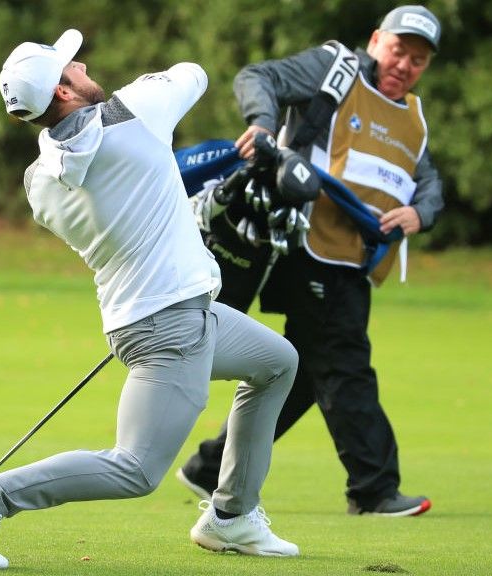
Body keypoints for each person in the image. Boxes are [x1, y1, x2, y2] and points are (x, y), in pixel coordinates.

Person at [0, 29, 301, 570]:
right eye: (71, 68)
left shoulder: (38, 184)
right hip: (170, 325)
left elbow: (81, 157)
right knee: (136, 469)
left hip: (157, 315)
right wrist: (135, 102)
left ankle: (233, 516)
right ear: (63, 91)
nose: (81, 65)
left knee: (278, 362)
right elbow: (192, 73)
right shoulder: (136, 111)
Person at [177, 5, 445, 517]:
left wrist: (419, 212)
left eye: (418, 58)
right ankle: (374, 489)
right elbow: (258, 77)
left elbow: (429, 180)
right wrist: (261, 124)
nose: (405, 65)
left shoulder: (414, 117)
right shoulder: (335, 69)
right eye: (398, 49)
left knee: (300, 373)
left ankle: (210, 468)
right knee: (345, 362)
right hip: (298, 245)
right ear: (375, 40)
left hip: (350, 260)